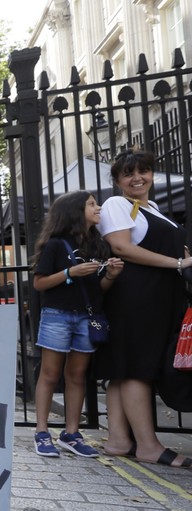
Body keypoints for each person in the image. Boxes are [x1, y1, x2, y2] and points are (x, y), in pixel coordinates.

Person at [96, 148, 192, 469]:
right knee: (137, 367)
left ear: (152, 174)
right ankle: (148, 445)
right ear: (118, 181)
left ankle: (119, 440)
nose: (137, 178)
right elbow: (123, 247)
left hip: (156, 296)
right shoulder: (117, 204)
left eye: (143, 171)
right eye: (128, 173)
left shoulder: (150, 207)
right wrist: (178, 262)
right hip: (135, 295)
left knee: (123, 368)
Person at [29, 191, 123, 458]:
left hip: (87, 317)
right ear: (74, 211)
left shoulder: (98, 243)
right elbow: (39, 283)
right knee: (49, 374)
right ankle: (42, 432)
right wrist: (70, 272)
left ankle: (72, 433)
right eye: (91, 204)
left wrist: (112, 275)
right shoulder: (56, 245)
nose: (98, 207)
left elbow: (99, 289)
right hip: (57, 315)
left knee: (77, 376)